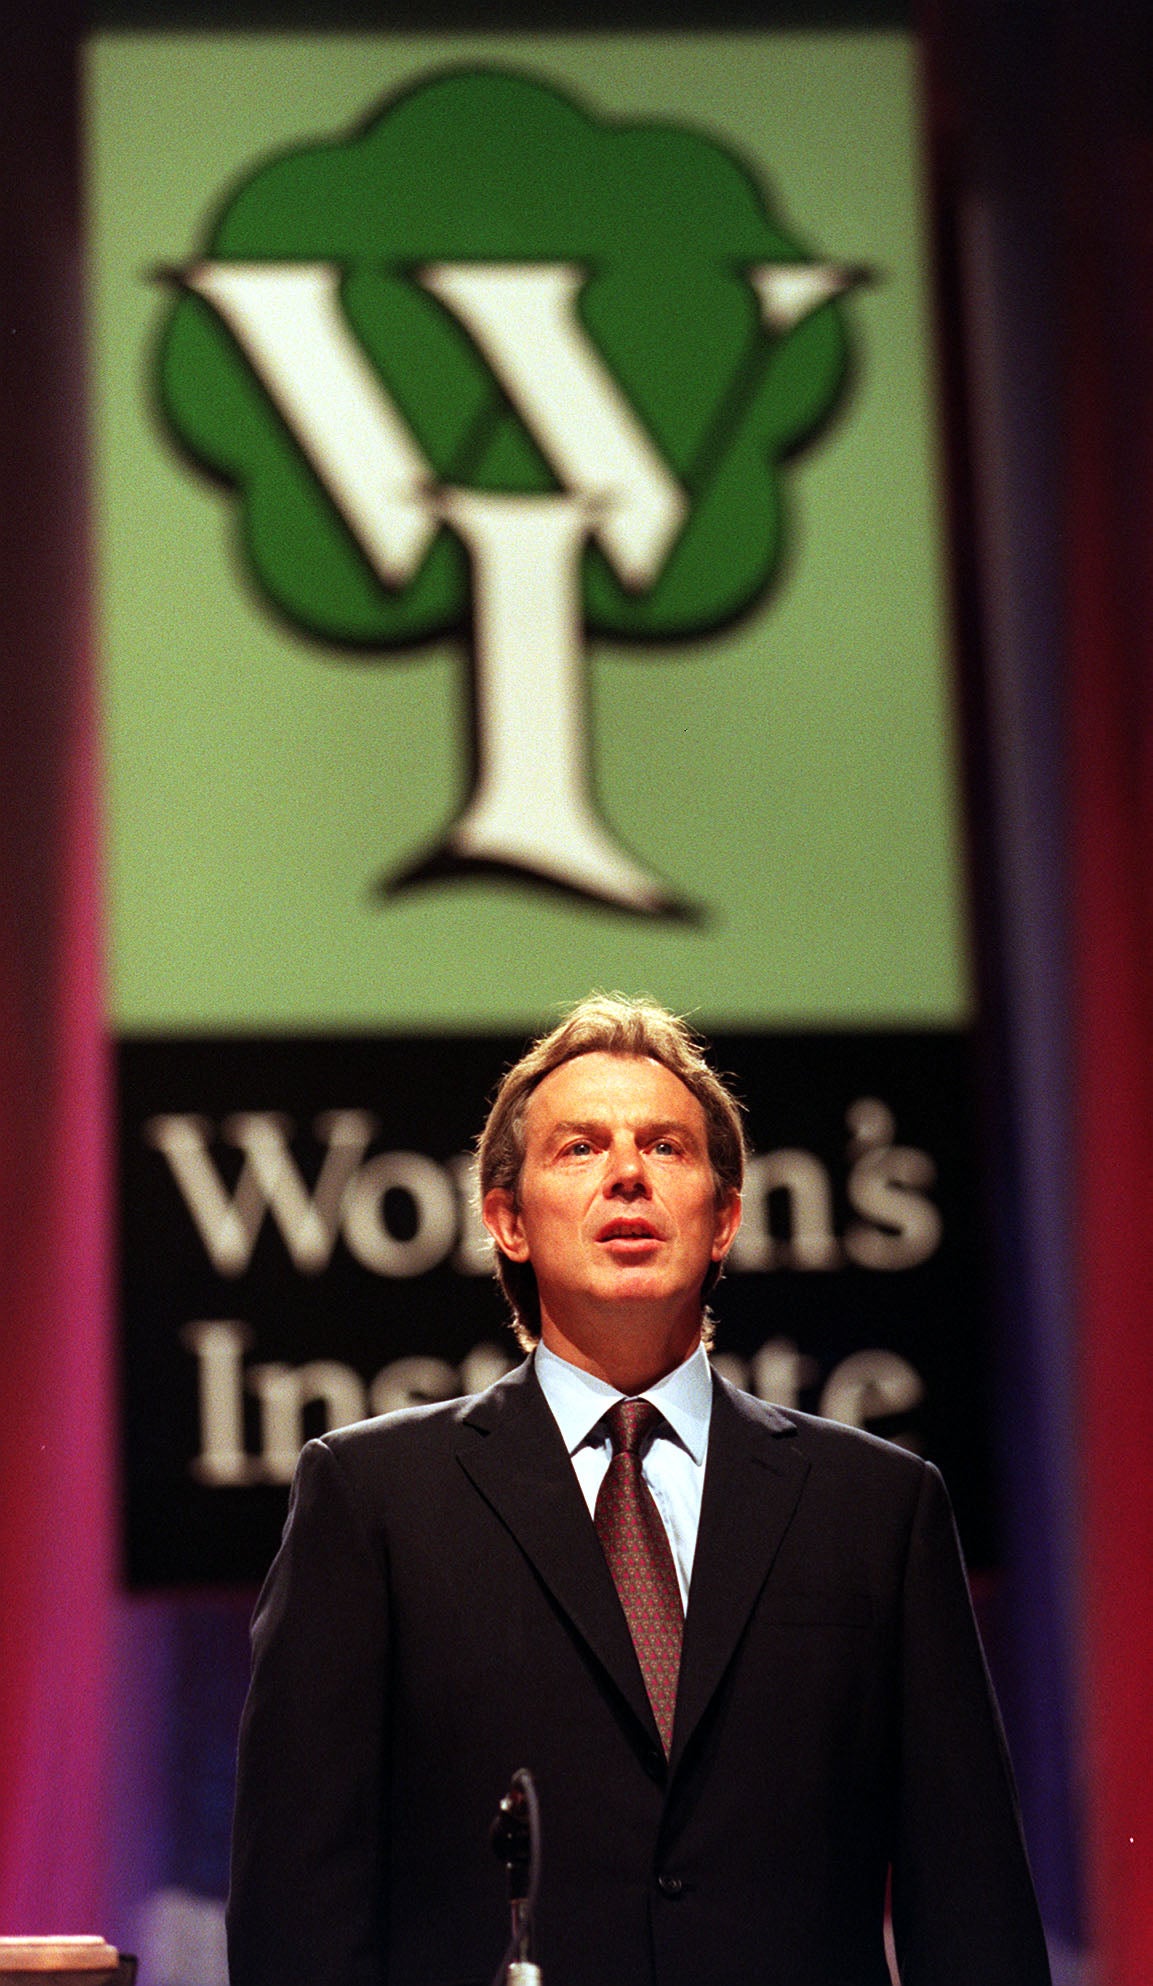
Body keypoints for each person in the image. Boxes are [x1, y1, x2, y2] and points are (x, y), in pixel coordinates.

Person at [227, 995, 1052, 1986]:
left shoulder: (876, 1509)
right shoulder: (370, 1500)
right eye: (579, 1149)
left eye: (664, 1146)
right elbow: (295, 1909)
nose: (626, 1173)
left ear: (726, 1220)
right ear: (506, 1222)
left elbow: (971, 1906)